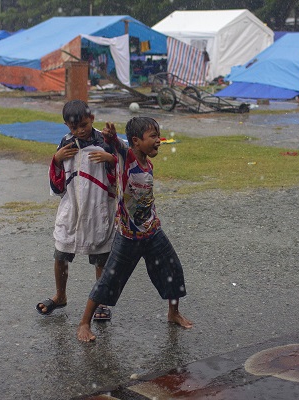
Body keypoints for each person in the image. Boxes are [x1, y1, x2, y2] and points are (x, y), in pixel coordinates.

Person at [76, 117, 193, 342]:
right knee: (109, 279)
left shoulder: (148, 164)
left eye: (158, 136)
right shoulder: (127, 158)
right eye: (153, 137)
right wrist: (111, 137)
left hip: (152, 231)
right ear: (136, 141)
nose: (158, 141)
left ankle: (173, 313)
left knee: (172, 269)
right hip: (128, 236)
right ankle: (84, 323)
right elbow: (118, 146)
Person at [35, 100, 117, 322]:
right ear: (66, 126)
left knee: (100, 257)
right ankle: (60, 295)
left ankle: (101, 302)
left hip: (97, 207)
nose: (80, 131)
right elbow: (58, 183)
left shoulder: (105, 142)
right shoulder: (66, 144)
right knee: (61, 253)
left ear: (92, 119)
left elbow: (120, 172)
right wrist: (57, 160)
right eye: (74, 127)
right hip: (72, 207)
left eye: (84, 125)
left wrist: (110, 159)